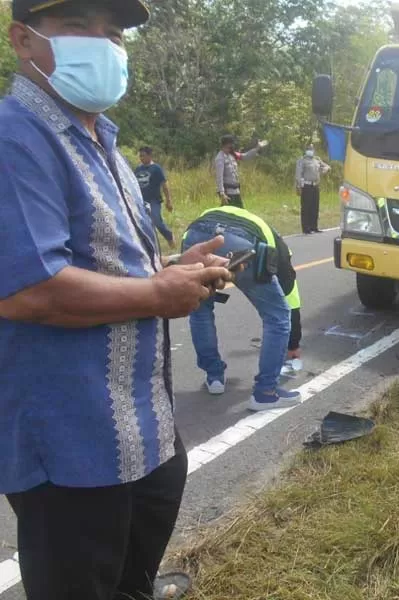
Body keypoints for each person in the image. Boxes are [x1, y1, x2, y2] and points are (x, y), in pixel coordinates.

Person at [0, 2, 234, 599]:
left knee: (132, 585)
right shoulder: (15, 140)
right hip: (72, 447)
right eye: (79, 26)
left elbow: (105, 263)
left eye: (115, 33)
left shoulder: (102, 140)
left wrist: (174, 270)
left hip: (143, 429)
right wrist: (159, 293)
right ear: (23, 41)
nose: (102, 44)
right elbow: (28, 290)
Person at [183, 206, 303, 410]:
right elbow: (289, 294)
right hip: (241, 242)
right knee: (278, 316)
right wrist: (293, 344)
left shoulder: (230, 213)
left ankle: (214, 378)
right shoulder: (281, 251)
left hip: (195, 234)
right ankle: (266, 393)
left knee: (201, 309)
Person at [135, 146, 175, 248]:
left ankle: (169, 236)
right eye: (140, 156)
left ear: (149, 156)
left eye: (143, 156)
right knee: (145, 224)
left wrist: (168, 200)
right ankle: (151, 246)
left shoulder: (156, 168)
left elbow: (164, 184)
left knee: (157, 221)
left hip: (154, 201)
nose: (141, 158)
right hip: (142, 201)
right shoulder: (138, 169)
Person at [214, 134, 267, 208]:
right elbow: (219, 178)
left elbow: (245, 156)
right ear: (227, 144)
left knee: (239, 214)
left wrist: (257, 148)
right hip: (228, 193)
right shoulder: (220, 158)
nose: (233, 145)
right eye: (231, 143)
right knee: (228, 216)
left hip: (236, 192)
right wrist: (222, 193)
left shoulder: (232, 154)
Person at [295, 143, 331, 234]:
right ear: (306, 150)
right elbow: (298, 174)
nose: (310, 150)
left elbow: (327, 167)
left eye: (311, 149)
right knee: (306, 207)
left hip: (315, 185)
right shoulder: (302, 161)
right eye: (308, 149)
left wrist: (324, 170)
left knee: (315, 207)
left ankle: (314, 227)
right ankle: (306, 228)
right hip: (306, 186)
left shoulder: (317, 160)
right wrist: (299, 185)